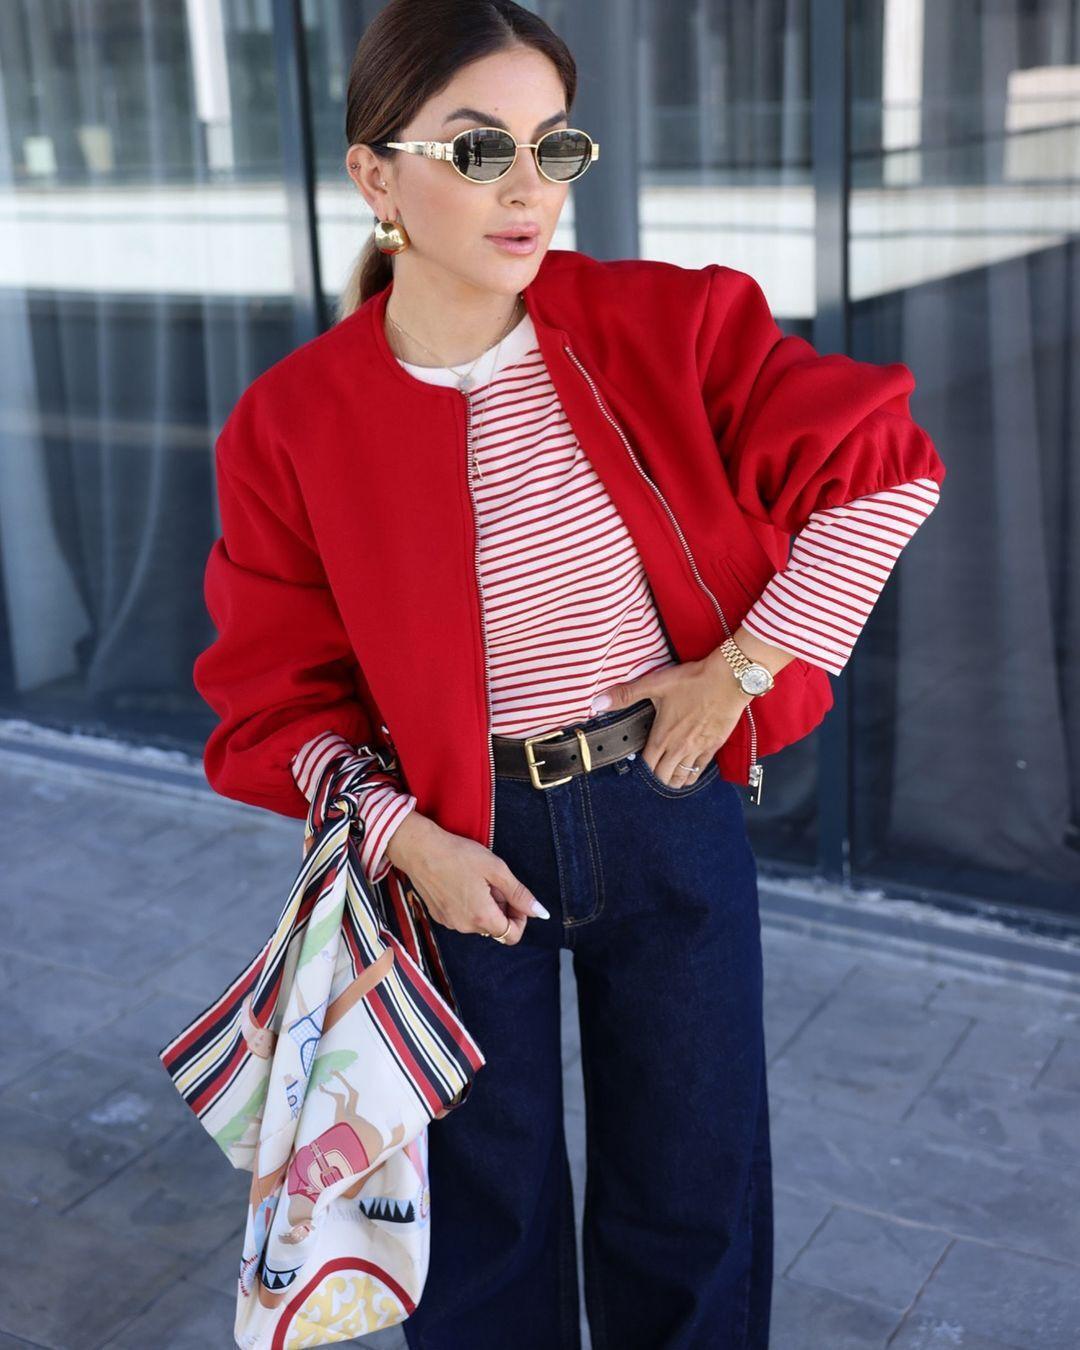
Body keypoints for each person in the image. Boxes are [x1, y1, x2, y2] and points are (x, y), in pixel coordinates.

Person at [192, 2, 946, 1346]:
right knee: (481, 1218)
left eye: (556, 146)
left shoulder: (666, 323)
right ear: (375, 176)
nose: (529, 188)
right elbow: (278, 707)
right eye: (480, 149)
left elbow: (888, 471)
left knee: (694, 1193)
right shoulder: (294, 422)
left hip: (665, 806)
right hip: (458, 845)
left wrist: (742, 668)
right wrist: (407, 840)